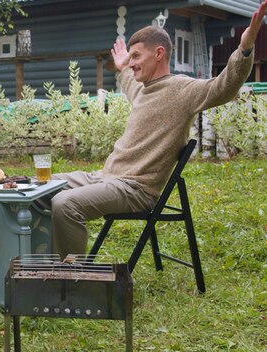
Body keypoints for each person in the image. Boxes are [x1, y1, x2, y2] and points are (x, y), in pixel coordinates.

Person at [47, 1, 267, 259]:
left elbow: (224, 87)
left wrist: (245, 48)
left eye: (137, 56)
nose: (132, 63)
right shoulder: (142, 90)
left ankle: (68, 279)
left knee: (65, 204)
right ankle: (37, 263)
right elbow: (130, 82)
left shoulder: (182, 90)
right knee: (40, 188)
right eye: (130, 58)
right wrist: (122, 67)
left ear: (159, 53)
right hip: (105, 177)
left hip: (134, 188)